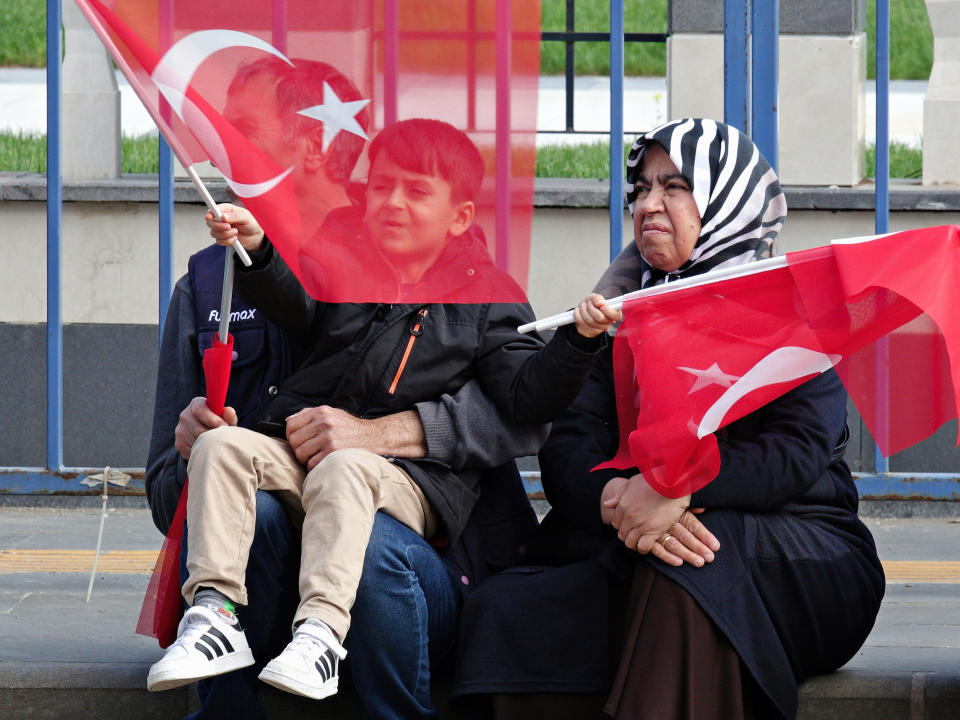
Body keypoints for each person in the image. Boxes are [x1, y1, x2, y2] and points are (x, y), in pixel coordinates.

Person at [146, 118, 619, 703]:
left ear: (461, 216)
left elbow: (527, 397)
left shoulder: (487, 293)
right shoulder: (339, 267)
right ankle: (213, 617)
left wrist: (577, 343)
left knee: (347, 465)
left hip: (408, 490)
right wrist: (259, 250)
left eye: (417, 191)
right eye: (381, 187)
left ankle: (321, 632)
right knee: (221, 448)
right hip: (309, 467)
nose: (392, 204)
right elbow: (295, 301)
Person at [452, 118, 886, 720]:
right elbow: (568, 445)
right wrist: (619, 499)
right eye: (641, 189)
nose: (648, 205)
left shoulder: (786, 309)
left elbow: (794, 454)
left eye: (673, 187)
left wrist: (671, 490)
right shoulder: (619, 313)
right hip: (632, 532)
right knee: (508, 608)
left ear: (728, 201)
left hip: (798, 551)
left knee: (687, 560)